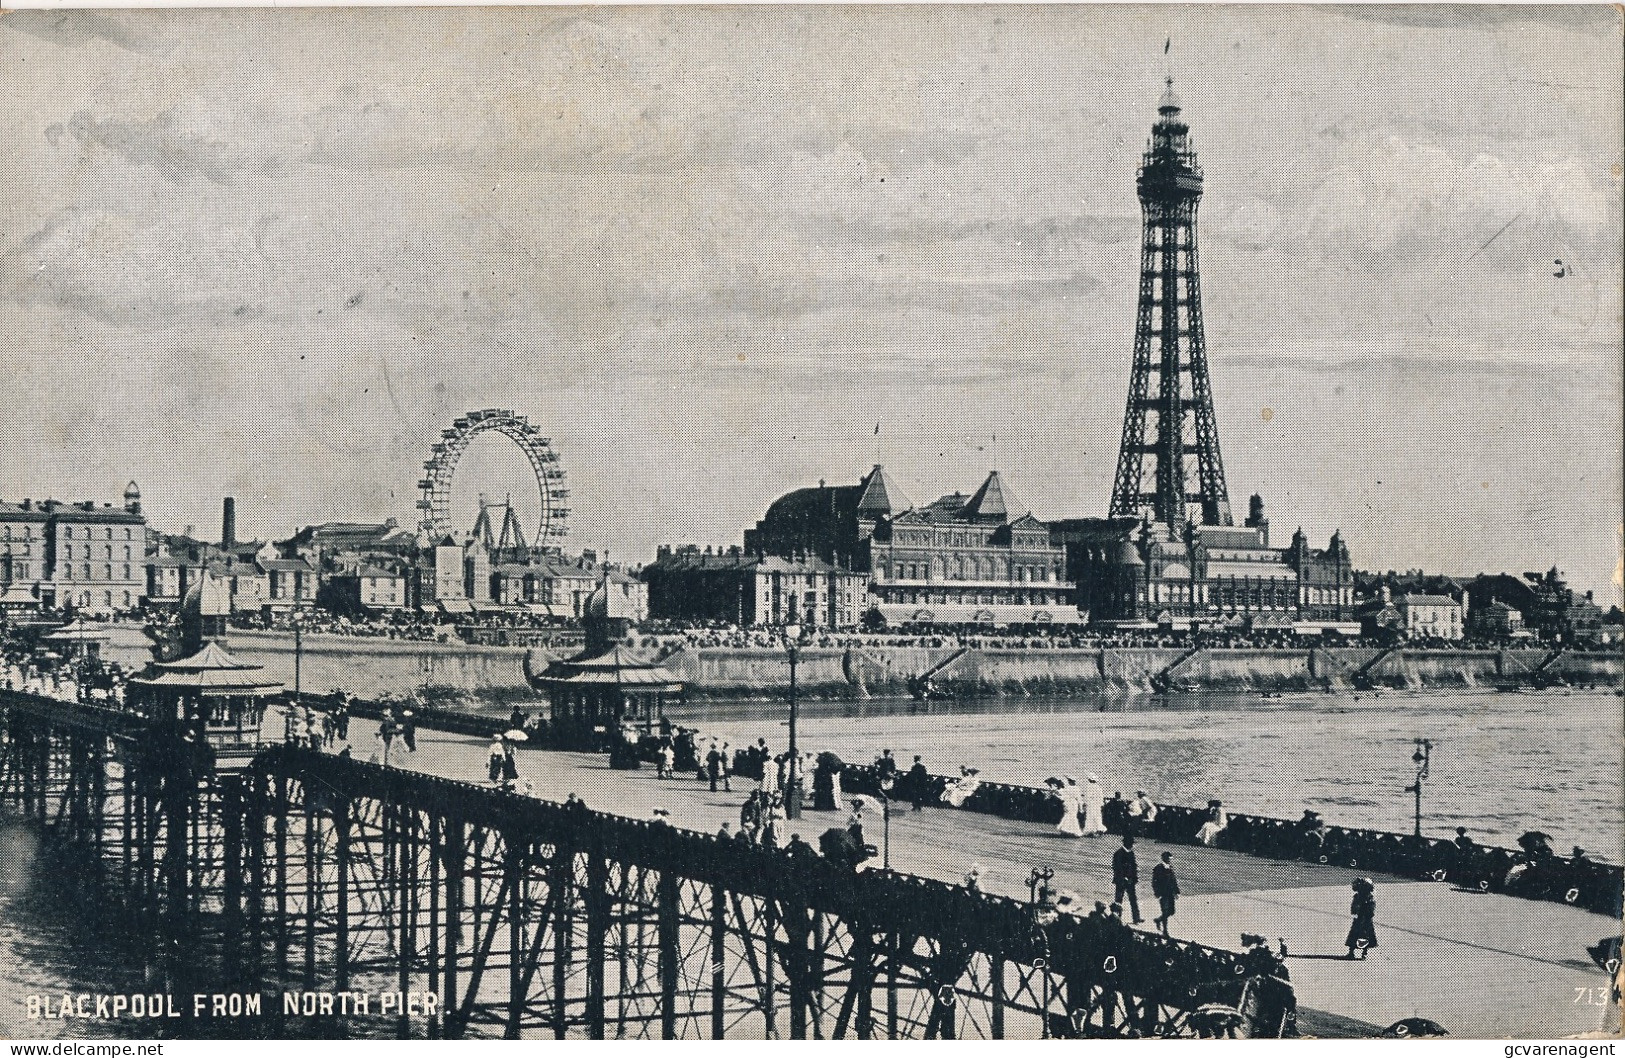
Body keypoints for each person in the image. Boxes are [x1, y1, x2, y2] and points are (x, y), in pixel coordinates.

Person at [1112, 834, 1143, 924]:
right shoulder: (1118, 853)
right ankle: (1117, 918)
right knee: (1118, 901)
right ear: (1127, 843)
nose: (1132, 845)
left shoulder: (1131, 853)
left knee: (1133, 900)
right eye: (1131, 843)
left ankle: (1136, 918)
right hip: (1121, 881)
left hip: (1131, 881)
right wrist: (1124, 878)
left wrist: (1134, 878)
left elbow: (1134, 867)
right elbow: (1117, 868)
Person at [1345, 877, 1378, 959]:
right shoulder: (1359, 896)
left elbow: (1371, 908)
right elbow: (1354, 906)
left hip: (1365, 919)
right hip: (1361, 918)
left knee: (1363, 935)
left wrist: (1365, 914)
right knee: (1357, 934)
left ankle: (1363, 952)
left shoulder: (1368, 897)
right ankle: (1353, 952)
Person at [1151, 851, 1179, 936]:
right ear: (1165, 858)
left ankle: (1158, 920)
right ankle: (1165, 931)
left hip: (1170, 893)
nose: (1170, 860)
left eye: (1171, 859)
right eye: (1169, 859)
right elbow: (1154, 882)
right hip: (1163, 894)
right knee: (1165, 910)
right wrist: (1157, 893)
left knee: (1171, 911)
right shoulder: (1158, 868)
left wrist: (1176, 892)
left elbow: (1174, 881)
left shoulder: (1170, 868)